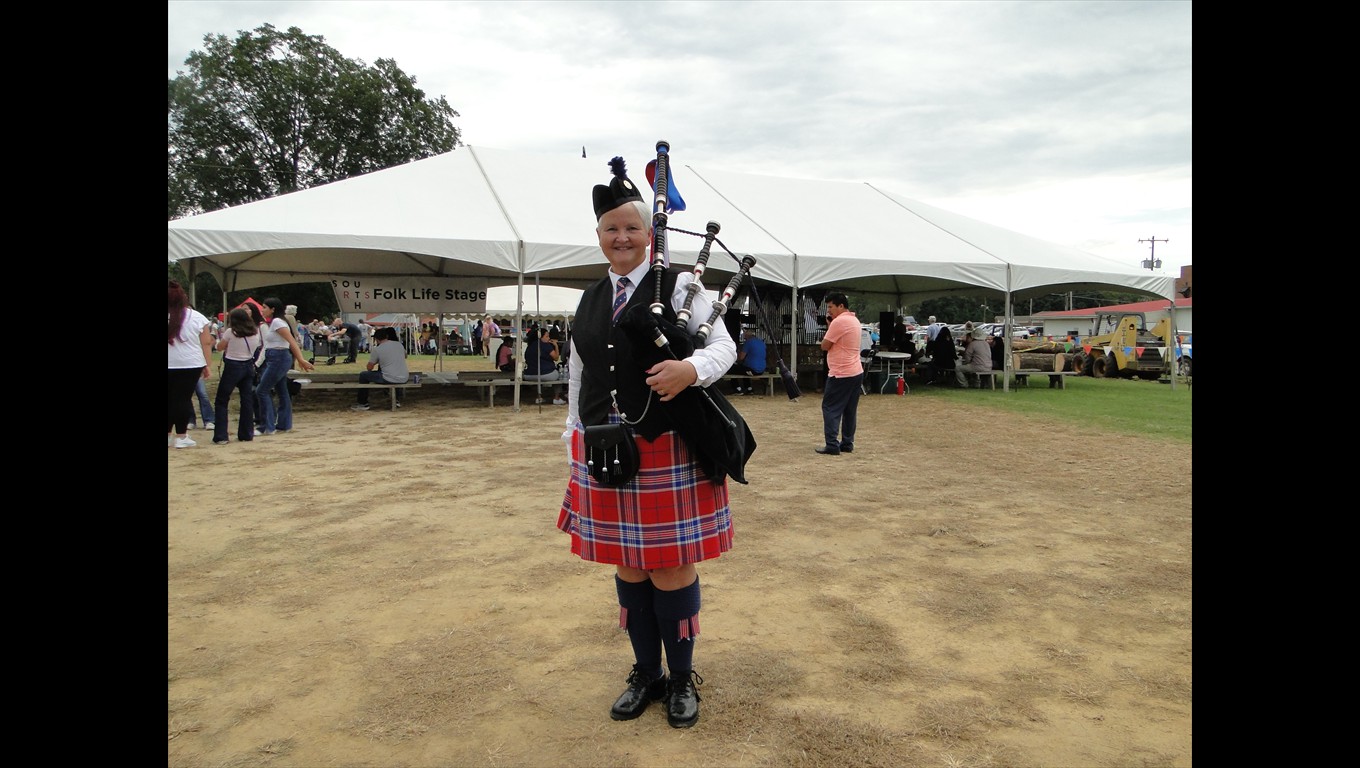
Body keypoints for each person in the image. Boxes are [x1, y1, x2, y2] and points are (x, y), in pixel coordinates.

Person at [556, 155, 738, 729]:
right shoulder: (588, 299)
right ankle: (646, 673)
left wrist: (691, 371)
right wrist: (573, 432)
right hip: (607, 445)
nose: (622, 237)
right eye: (612, 229)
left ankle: (682, 680)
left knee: (670, 568)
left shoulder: (680, 283)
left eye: (632, 227)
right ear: (599, 237)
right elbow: (579, 375)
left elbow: (724, 347)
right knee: (629, 568)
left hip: (667, 444)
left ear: (649, 235)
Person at [256, 298, 315, 434]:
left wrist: (300, 359)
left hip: (278, 357)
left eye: (265, 307)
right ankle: (283, 424)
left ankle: (267, 426)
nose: (262, 310)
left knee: (262, 390)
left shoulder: (277, 322)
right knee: (282, 391)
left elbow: (291, 342)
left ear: (273, 309)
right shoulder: (275, 323)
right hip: (276, 357)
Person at [815, 292, 864, 456]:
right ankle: (847, 443)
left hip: (841, 372)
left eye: (830, 307)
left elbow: (825, 345)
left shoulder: (839, 322)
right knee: (850, 410)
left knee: (830, 408)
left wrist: (831, 327)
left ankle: (832, 444)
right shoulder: (854, 320)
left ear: (840, 306)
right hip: (856, 370)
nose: (829, 311)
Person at [168, 280, 214, 449]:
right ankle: (181, 436)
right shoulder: (196, 317)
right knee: (183, 399)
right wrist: (207, 364)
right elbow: (206, 343)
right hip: (190, 363)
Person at [211, 307, 260, 444]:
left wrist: (217, 343)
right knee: (246, 400)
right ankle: (246, 433)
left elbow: (220, 347)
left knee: (222, 399)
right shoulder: (255, 332)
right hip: (248, 365)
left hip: (233, 365)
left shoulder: (231, 332)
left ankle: (221, 435)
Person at [351, 327, 410, 411]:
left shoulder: (378, 349)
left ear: (376, 339)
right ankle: (397, 399)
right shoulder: (398, 344)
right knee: (391, 372)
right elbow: (405, 356)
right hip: (404, 377)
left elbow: (369, 367)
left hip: (389, 377)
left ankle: (363, 403)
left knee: (363, 375)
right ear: (386, 336)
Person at [522, 324, 567, 404]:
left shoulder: (530, 346)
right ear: (540, 337)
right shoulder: (545, 346)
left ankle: (539, 397)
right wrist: (556, 346)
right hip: (545, 373)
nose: (549, 338)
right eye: (547, 336)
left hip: (529, 374)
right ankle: (556, 398)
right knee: (558, 375)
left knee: (539, 379)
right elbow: (556, 357)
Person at [730, 327, 767, 395]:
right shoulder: (761, 342)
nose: (744, 339)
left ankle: (737, 389)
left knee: (731, 368)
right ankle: (749, 388)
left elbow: (741, 357)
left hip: (753, 370)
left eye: (745, 338)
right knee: (744, 368)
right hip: (761, 370)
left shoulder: (748, 342)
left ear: (748, 336)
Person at [955, 323, 993, 388]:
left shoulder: (972, 344)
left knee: (958, 369)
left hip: (977, 366)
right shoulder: (986, 344)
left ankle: (964, 384)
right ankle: (975, 383)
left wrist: (967, 362)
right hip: (989, 366)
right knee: (972, 367)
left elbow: (967, 357)